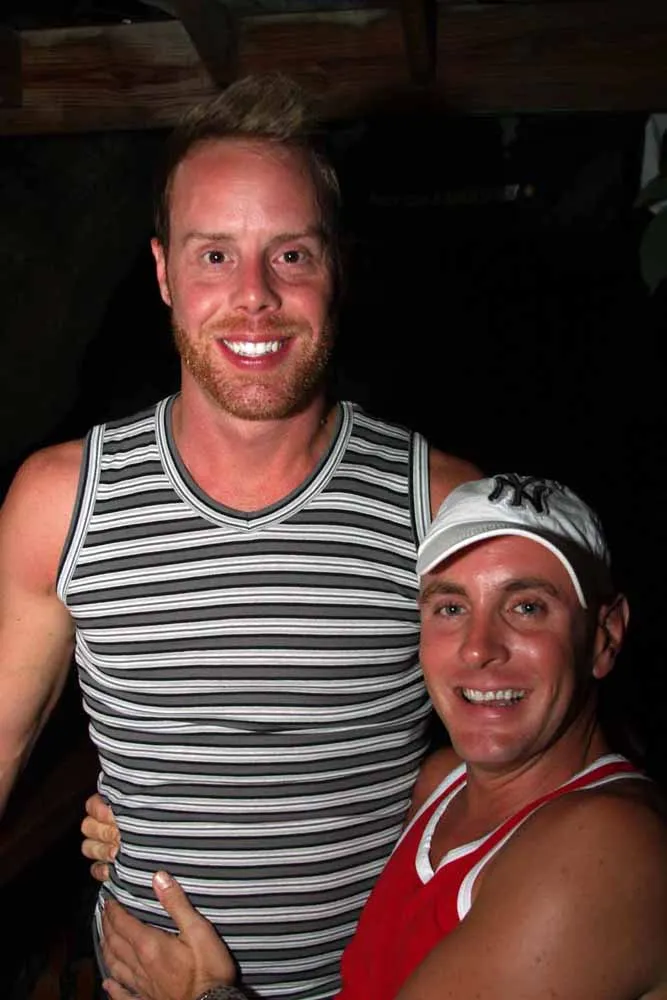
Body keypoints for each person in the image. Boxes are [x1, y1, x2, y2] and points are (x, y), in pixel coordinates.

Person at [0, 73, 478, 999]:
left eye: (289, 254)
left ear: (336, 267)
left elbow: (540, 766)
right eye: (214, 255)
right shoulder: (61, 502)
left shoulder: (446, 507)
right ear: (162, 273)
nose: (254, 296)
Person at [86, 474, 667, 1000]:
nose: (478, 648)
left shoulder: (611, 848)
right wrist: (139, 821)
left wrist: (201, 994)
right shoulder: (442, 784)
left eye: (527, 606)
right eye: (451, 607)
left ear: (604, 635)